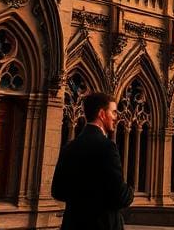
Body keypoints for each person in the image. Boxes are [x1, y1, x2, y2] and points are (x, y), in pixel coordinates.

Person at [52, 91, 134, 229]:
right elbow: (120, 196)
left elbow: (57, 191)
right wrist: (130, 191)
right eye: (113, 112)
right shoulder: (107, 147)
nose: (116, 117)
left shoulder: (70, 147)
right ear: (102, 114)